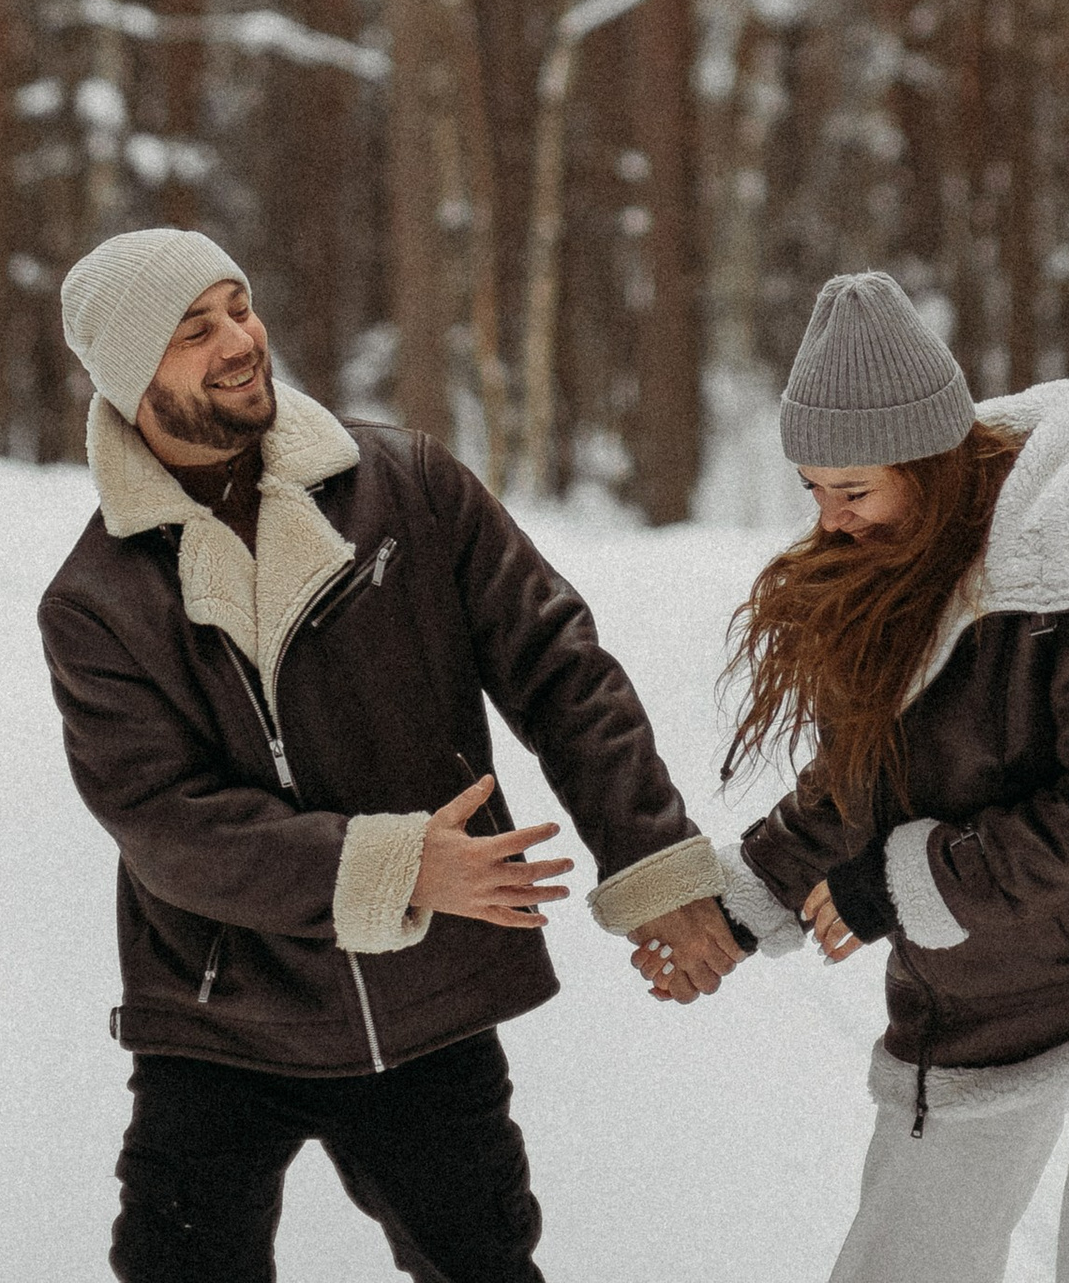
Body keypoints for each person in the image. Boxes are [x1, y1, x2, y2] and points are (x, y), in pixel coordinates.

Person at [38, 224, 744, 1283]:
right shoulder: (97, 599)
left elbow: (561, 671)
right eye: (196, 329)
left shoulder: (406, 486)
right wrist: (398, 866)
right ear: (134, 375)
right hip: (219, 1016)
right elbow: (165, 824)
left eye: (239, 305)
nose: (240, 339)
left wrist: (651, 866)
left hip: (423, 1004)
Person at [665, 270, 1069, 1283]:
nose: (829, 522)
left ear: (932, 461)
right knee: (902, 1263)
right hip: (988, 980)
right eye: (812, 491)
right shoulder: (897, 564)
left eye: (852, 492)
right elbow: (859, 776)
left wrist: (916, 881)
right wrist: (739, 910)